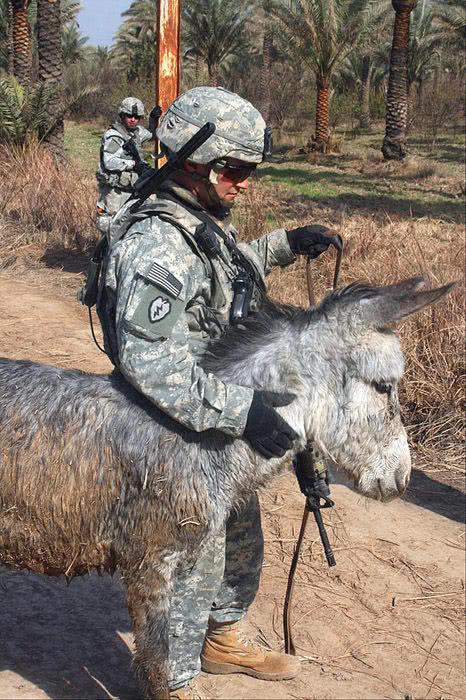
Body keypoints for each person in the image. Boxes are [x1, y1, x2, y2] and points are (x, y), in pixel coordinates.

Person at [97, 86, 341, 699]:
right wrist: (243, 410)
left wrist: (286, 244)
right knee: (190, 564)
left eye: (250, 171)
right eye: (233, 169)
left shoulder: (196, 222)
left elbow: (224, 274)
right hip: (167, 430)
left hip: (206, 420)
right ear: (192, 161)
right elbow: (149, 364)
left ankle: (221, 640)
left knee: (240, 537)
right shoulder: (157, 240)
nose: (244, 183)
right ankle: (170, 682)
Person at [95, 96, 154, 234]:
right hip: (114, 193)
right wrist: (133, 164)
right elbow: (109, 162)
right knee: (109, 230)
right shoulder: (113, 136)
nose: (133, 119)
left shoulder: (136, 132)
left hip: (132, 191)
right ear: (122, 115)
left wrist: (153, 120)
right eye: (129, 116)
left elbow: (152, 134)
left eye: (136, 117)